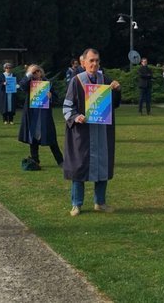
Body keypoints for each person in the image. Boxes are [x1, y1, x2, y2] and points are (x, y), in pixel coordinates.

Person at [62, 48, 121, 216]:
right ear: (83, 63)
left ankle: (100, 202)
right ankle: (76, 204)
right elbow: (67, 106)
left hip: (102, 131)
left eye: (97, 60)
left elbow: (114, 104)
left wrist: (117, 89)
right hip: (82, 132)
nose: (94, 64)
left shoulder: (105, 79)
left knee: (102, 165)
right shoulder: (76, 81)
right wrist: (76, 117)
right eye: (91, 61)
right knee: (79, 167)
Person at [19, 64, 63, 167]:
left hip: (44, 114)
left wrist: (51, 96)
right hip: (32, 113)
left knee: (51, 137)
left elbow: (57, 97)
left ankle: (60, 161)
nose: (36, 73)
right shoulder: (29, 83)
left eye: (37, 71)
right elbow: (21, 86)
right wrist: (29, 73)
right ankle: (35, 160)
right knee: (33, 137)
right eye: (34, 72)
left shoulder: (47, 83)